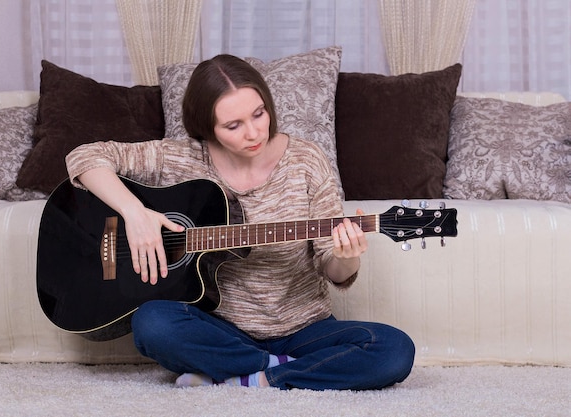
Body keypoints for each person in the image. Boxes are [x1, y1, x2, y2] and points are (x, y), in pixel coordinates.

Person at [65, 54, 415, 390]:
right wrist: (134, 213)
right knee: (152, 324)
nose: (254, 133)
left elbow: (334, 269)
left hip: (304, 328)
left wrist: (346, 254)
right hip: (218, 328)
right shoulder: (182, 157)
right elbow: (83, 156)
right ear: (208, 127)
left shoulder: (306, 160)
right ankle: (285, 370)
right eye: (233, 125)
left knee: (394, 349)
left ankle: (250, 375)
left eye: (259, 114)